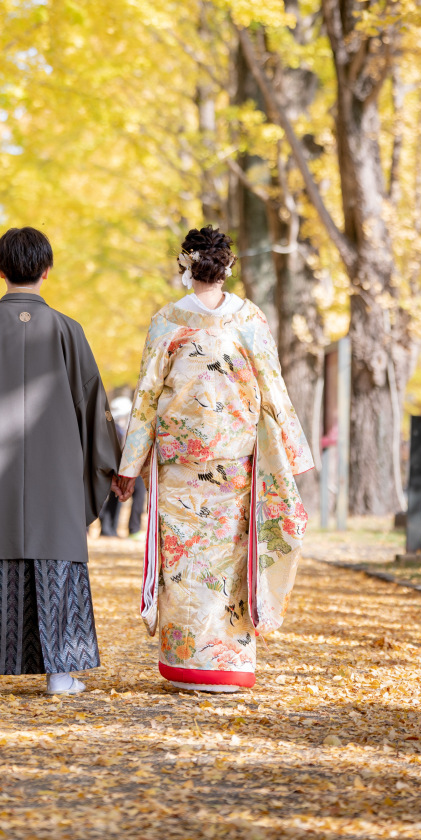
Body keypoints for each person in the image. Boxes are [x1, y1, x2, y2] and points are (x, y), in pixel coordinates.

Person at [0, 226, 126, 697]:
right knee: (57, 562)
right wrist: (110, 467)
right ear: (46, 271)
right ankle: (60, 674)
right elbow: (94, 408)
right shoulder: (69, 331)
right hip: (58, 477)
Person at [118, 226, 313, 693]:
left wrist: (130, 467)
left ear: (184, 266)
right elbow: (273, 388)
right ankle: (228, 666)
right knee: (229, 561)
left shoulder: (166, 320)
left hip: (182, 466)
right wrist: (294, 454)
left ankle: (185, 663)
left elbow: (147, 398)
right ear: (227, 267)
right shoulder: (250, 318)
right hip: (235, 464)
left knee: (185, 562)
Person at [98, 395, 146, 537]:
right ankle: (111, 528)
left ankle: (113, 528)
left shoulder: (124, 426)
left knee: (122, 496)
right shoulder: (114, 427)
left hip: (127, 465)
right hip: (120, 466)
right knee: (117, 497)